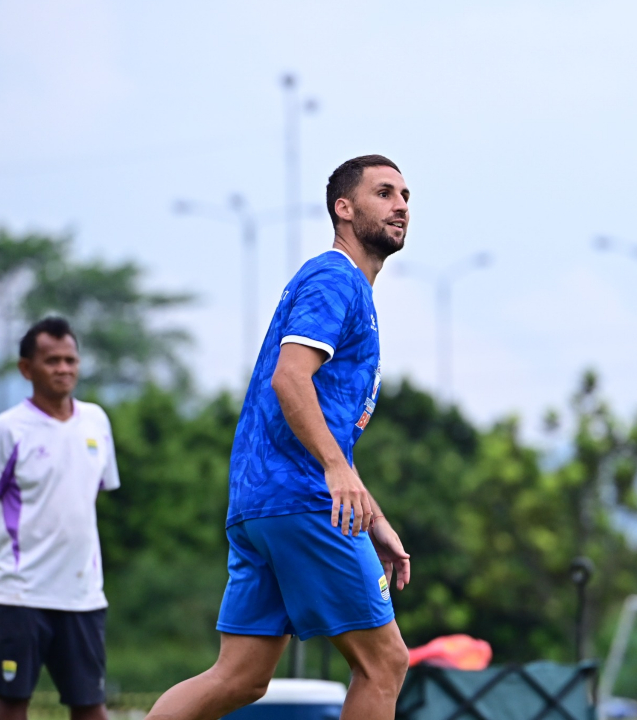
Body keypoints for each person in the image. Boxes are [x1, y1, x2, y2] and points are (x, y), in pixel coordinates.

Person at [146, 155, 413, 720]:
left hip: (260, 504)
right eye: (384, 193)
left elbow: (323, 424)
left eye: (406, 196)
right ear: (344, 208)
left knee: (239, 677)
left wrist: (376, 518)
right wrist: (337, 474)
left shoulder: (343, 287)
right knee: (384, 663)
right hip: (303, 502)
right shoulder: (335, 276)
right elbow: (290, 379)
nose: (401, 206)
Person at [0, 317, 120, 720]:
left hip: (83, 593)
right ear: (26, 368)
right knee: (14, 702)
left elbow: (87, 496)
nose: (64, 369)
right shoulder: (8, 430)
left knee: (90, 705)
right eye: (52, 360)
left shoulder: (96, 422)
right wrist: (16, 540)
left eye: (70, 359)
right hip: (23, 593)